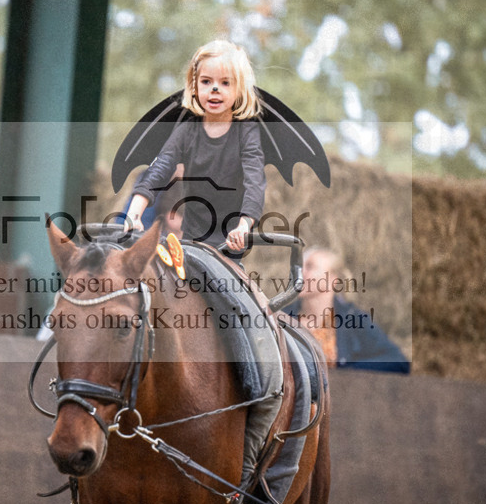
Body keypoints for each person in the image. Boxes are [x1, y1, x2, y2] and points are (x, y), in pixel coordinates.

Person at [123, 40, 266, 252]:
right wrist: (133, 213)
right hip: (190, 240)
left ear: (239, 89)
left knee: (225, 284)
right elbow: (161, 166)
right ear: (194, 85)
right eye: (206, 81)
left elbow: (255, 181)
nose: (215, 89)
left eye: (225, 83)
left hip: (229, 241)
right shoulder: (187, 130)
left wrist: (244, 226)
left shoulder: (246, 132)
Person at [293, 247, 410, 374]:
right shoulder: (281, 319)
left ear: (332, 279)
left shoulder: (352, 318)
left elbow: (398, 361)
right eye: (299, 266)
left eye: (309, 267)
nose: (300, 273)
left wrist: (347, 374)